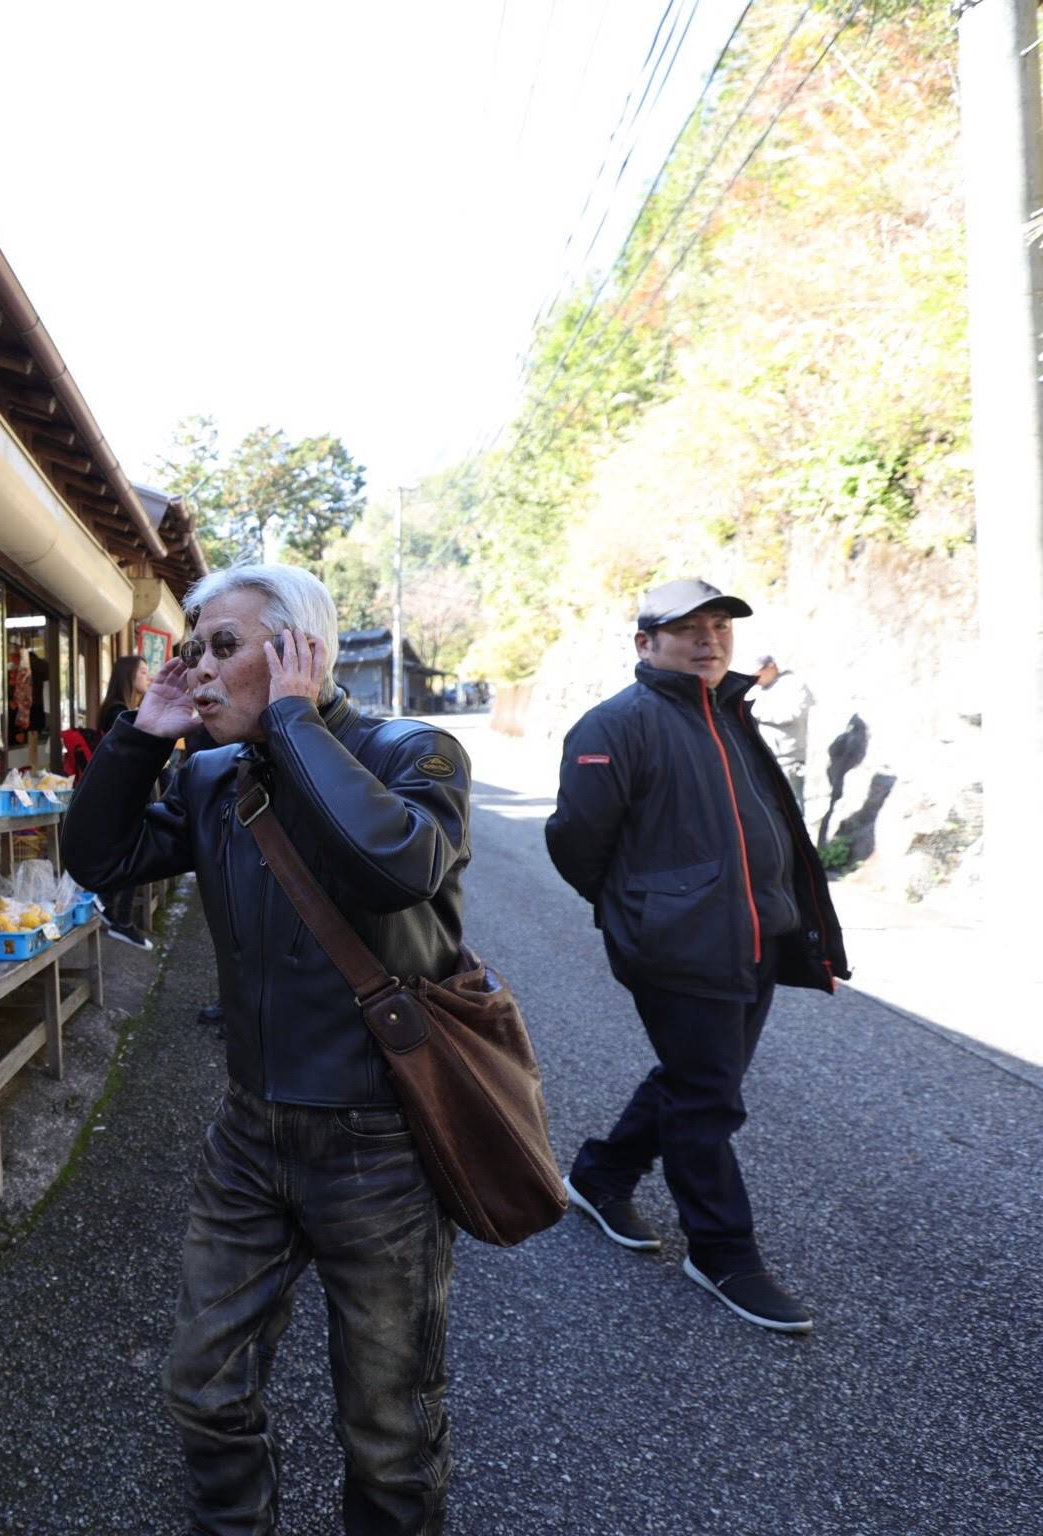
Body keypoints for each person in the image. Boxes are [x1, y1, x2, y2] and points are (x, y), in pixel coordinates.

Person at [64, 563, 471, 1536]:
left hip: (382, 1145)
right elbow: (101, 859)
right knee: (203, 1388)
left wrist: (292, 721)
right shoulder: (214, 776)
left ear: (301, 652)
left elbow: (395, 866)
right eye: (192, 649)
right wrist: (138, 739)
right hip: (250, 1136)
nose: (199, 668)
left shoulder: (414, 751)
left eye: (224, 646)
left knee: (389, 1430)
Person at [546, 579, 848, 1334]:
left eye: (719, 626)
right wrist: (643, 908)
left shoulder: (730, 713)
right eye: (688, 629)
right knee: (708, 1098)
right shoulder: (615, 725)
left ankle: (602, 1174)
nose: (709, 640)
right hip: (679, 948)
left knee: (697, 1080)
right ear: (645, 643)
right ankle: (722, 1252)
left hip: (756, 937)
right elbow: (576, 842)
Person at [88, 654, 154, 949]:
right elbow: (135, 748)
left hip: (125, 790)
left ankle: (117, 915)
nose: (148, 677)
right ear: (128, 676)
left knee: (136, 852)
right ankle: (113, 910)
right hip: (122, 792)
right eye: (143, 672)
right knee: (136, 852)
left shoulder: (122, 709)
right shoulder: (117, 711)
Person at [748, 653, 815, 821]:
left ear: (771, 667)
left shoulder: (793, 685)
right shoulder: (760, 689)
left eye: (758, 674)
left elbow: (795, 713)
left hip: (789, 758)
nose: (756, 679)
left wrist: (759, 713)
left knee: (793, 804)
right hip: (766, 757)